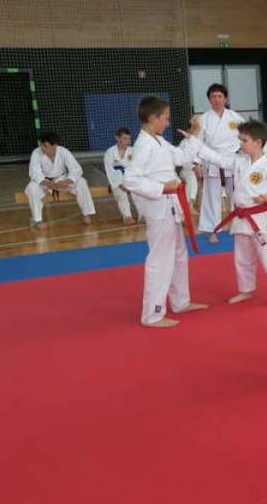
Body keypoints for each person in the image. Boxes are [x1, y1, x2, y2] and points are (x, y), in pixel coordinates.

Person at [123, 95, 210, 328]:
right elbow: (130, 180)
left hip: (171, 207)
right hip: (159, 207)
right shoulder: (143, 146)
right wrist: (162, 187)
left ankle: (181, 301)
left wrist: (194, 134)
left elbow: (181, 157)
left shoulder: (158, 141)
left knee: (179, 256)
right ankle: (153, 314)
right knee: (160, 261)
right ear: (153, 118)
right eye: (166, 118)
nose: (168, 123)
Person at [197, 120, 267, 310]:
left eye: (244, 140)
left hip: (260, 220)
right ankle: (246, 290)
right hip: (240, 218)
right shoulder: (238, 161)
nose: (241, 143)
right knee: (242, 258)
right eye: (240, 139)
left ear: (258, 142)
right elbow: (217, 159)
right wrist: (195, 143)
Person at [198, 83, 245, 242]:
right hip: (213, 160)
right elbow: (198, 143)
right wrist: (197, 163)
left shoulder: (235, 117)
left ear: (225, 98)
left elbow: (245, 138)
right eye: (213, 96)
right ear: (209, 100)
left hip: (233, 160)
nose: (216, 99)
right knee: (212, 197)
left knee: (238, 195)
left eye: (219, 96)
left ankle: (240, 226)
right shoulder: (203, 119)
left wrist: (246, 156)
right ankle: (213, 230)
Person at [25, 131, 96, 231]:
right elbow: (34, 172)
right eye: (41, 145)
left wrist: (67, 181)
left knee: (82, 182)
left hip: (62, 180)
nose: (42, 148)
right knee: (32, 188)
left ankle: (87, 214)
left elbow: (76, 169)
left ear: (54, 146)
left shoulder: (63, 152)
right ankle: (38, 221)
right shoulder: (36, 153)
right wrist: (47, 183)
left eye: (45, 146)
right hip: (45, 182)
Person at [103, 127, 137, 226]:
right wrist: (119, 183)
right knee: (121, 193)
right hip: (116, 180)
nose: (128, 141)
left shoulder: (133, 151)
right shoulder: (109, 153)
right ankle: (127, 216)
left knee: (139, 192)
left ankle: (143, 215)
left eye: (129, 139)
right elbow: (109, 171)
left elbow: (138, 168)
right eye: (125, 138)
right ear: (117, 138)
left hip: (131, 178)